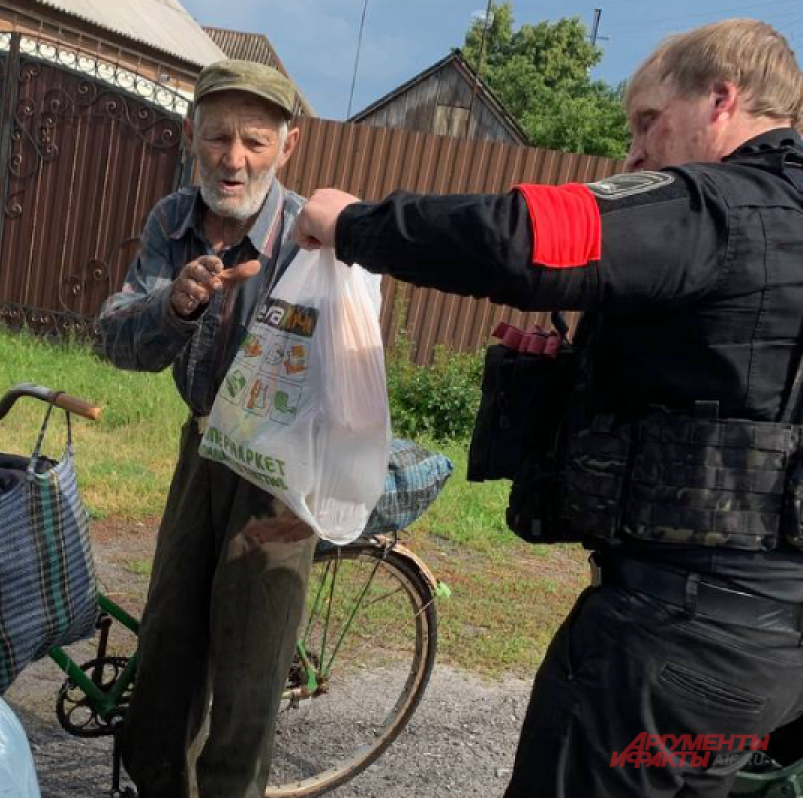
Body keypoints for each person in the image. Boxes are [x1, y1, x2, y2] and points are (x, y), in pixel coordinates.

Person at [294, 18, 803, 798]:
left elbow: (524, 238)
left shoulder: (717, 208)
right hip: (770, 656)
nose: (633, 154)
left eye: (647, 122)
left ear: (721, 101)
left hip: (672, 649)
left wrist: (354, 223)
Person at [97, 59, 315, 798]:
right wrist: (175, 305)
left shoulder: (312, 235)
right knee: (167, 645)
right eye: (218, 136)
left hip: (281, 476)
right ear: (192, 135)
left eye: (255, 141)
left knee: (251, 675)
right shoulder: (173, 221)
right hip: (203, 447)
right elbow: (113, 338)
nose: (234, 158)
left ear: (287, 146)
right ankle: (154, 786)